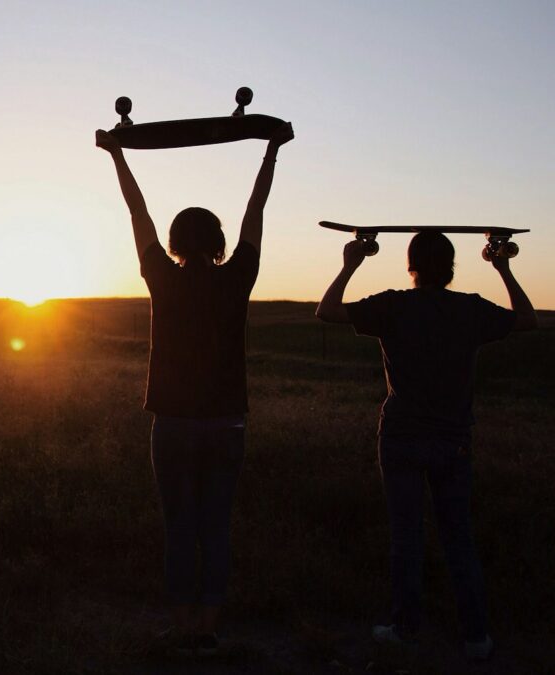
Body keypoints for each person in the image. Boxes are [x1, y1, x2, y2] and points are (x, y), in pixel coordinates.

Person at [95, 123, 293, 654]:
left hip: (173, 424)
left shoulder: (162, 275)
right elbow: (257, 210)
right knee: (215, 527)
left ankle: (182, 626)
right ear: (221, 242)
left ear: (178, 242)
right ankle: (207, 629)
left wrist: (117, 155)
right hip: (227, 424)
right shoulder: (239, 275)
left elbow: (137, 215)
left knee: (179, 526)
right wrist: (270, 153)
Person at [315, 231, 538, 661]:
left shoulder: (394, 304)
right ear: (451, 266)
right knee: (458, 539)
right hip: (452, 439)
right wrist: (503, 266)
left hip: (401, 436)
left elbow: (326, 311)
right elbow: (527, 319)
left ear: (410, 264)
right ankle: (476, 637)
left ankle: (405, 629)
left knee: (406, 538)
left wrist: (351, 262)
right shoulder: (469, 309)